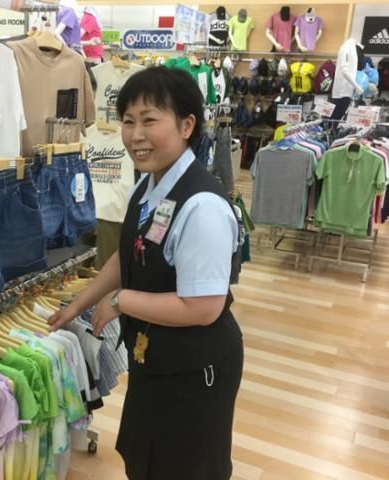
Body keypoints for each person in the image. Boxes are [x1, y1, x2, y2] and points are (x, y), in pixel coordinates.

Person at [48, 67, 244, 480]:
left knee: (185, 467)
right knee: (146, 455)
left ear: (187, 125)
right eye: (128, 121)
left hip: (194, 366)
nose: (136, 135)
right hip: (153, 354)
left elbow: (203, 307)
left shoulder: (203, 207)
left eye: (150, 120)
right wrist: (77, 306)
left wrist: (121, 301)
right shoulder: (148, 186)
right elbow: (129, 255)